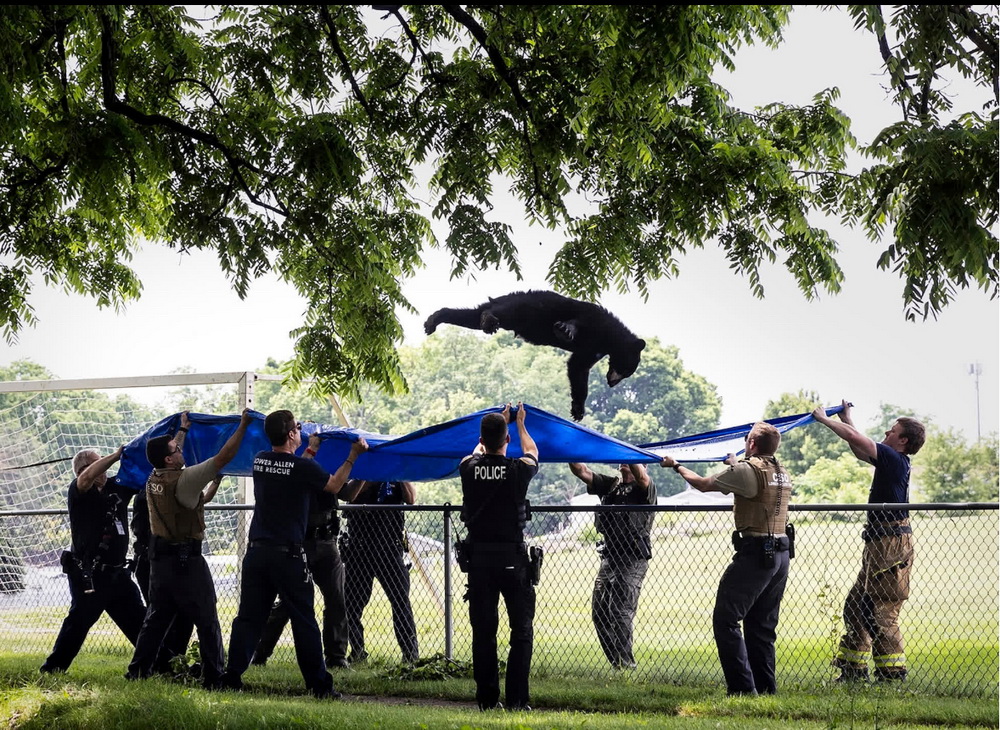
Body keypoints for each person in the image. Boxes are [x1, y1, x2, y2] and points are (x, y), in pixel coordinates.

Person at [221, 410, 367, 699]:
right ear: (290, 435)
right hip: (287, 555)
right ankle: (319, 686)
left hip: (257, 554)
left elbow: (296, 469)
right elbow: (335, 486)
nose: (300, 429)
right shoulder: (300, 467)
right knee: (304, 620)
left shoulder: (261, 461)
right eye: (297, 427)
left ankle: (232, 676)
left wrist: (311, 448)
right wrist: (353, 456)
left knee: (248, 618)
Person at [661, 421, 792, 696]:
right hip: (780, 553)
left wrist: (676, 465)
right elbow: (747, 477)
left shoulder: (746, 471)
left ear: (752, 444)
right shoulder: (779, 471)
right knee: (761, 625)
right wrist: (736, 462)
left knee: (726, 619)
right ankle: (766, 689)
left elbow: (703, 484)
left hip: (756, 553)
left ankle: (743, 690)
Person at [126, 409, 252, 689]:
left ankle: (137, 672)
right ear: (170, 459)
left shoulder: (154, 478)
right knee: (207, 618)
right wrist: (242, 427)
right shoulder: (185, 480)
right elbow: (222, 458)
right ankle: (215, 677)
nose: (181, 450)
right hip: (187, 562)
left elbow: (172, 454)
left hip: (160, 561)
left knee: (156, 619)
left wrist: (182, 430)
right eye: (176, 449)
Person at [812, 401, 925, 683]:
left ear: (903, 440)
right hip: (879, 542)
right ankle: (853, 670)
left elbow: (855, 439)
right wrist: (847, 417)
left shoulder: (895, 459)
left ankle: (892, 674)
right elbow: (860, 447)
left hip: (890, 544)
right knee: (856, 605)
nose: (887, 431)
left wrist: (824, 420)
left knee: (879, 610)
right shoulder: (890, 459)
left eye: (893, 430)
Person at [458, 402, 539, 711]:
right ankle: (518, 700)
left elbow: (475, 453)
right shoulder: (519, 470)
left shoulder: (469, 467)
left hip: (479, 563)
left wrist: (500, 423)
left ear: (482, 438)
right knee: (521, 631)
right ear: (507, 440)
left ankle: (488, 701)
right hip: (513, 561)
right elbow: (533, 451)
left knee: (483, 632)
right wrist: (520, 423)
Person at [40, 446, 148, 674]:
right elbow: (87, 477)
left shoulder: (115, 490)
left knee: (139, 620)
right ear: (83, 469)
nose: (106, 468)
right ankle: (52, 669)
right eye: (100, 463)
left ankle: (162, 665)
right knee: (78, 623)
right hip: (90, 574)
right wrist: (116, 455)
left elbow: (145, 471)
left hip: (117, 574)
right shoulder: (80, 491)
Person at [251, 478, 350, 669]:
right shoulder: (298, 468)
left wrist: (366, 474)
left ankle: (336, 657)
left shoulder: (333, 467)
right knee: (289, 602)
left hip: (327, 542)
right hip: (298, 543)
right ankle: (259, 652)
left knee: (337, 599)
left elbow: (347, 493)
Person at [567, 461, 655, 670]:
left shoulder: (645, 489)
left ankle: (626, 665)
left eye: (632, 459)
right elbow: (582, 471)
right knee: (599, 612)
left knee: (620, 610)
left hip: (633, 558)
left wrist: (628, 453)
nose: (624, 461)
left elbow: (641, 477)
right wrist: (571, 447)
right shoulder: (611, 485)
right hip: (609, 557)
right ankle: (617, 663)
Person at [339, 479, 419, 665]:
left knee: (401, 602)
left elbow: (411, 499)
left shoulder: (395, 479)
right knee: (351, 604)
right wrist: (370, 474)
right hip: (359, 549)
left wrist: (398, 474)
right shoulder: (358, 474)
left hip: (390, 549)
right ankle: (357, 652)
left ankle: (410, 655)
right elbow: (350, 496)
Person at [130, 482, 194, 675]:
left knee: (184, 615)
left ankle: (174, 662)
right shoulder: (148, 493)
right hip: (152, 562)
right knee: (160, 616)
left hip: (173, 562)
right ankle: (160, 664)